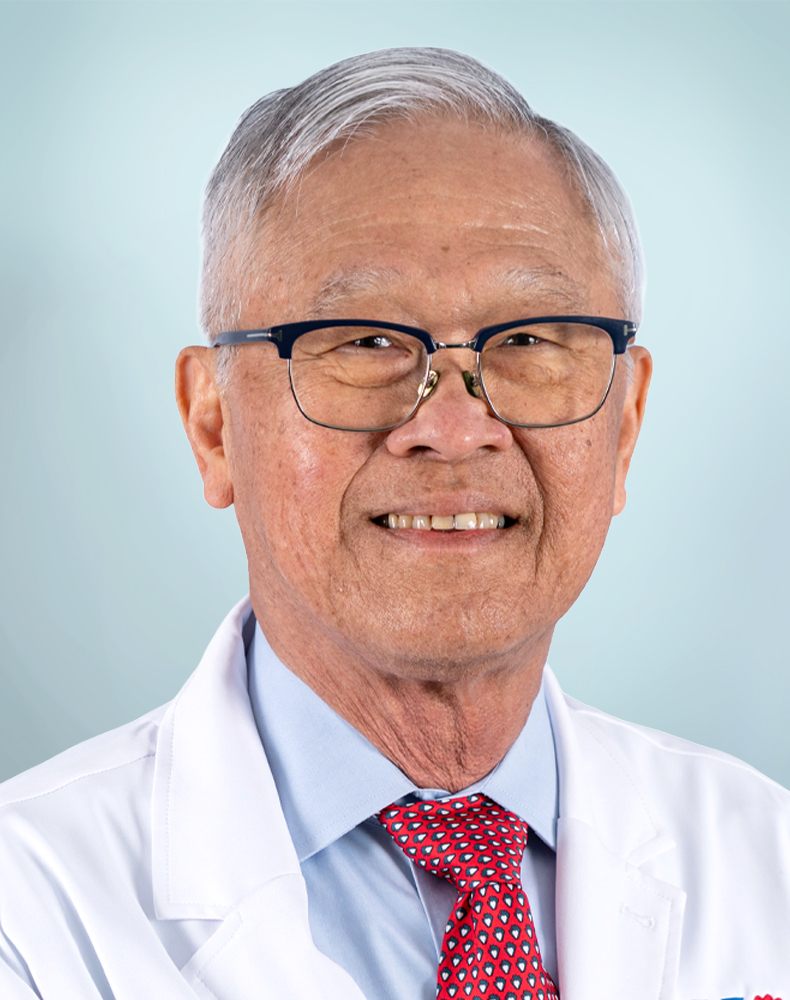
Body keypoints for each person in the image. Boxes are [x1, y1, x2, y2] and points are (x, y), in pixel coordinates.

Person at [0, 47, 787, 1000]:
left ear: (624, 428)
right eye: (365, 340)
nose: (453, 429)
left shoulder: (768, 865)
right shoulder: (30, 912)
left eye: (528, 339)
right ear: (213, 425)